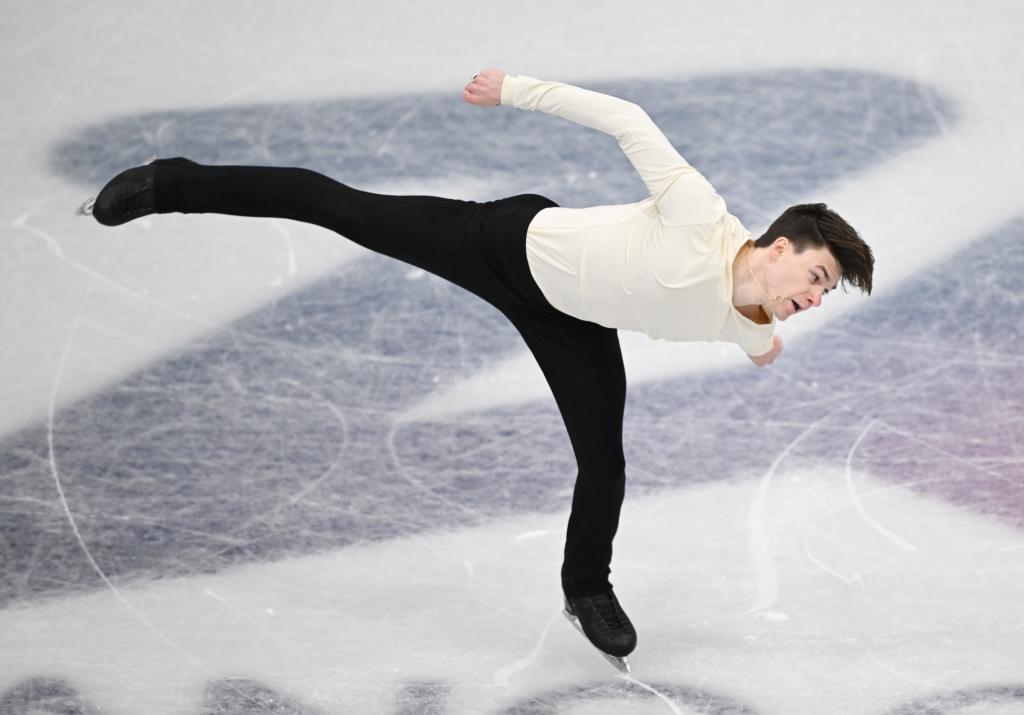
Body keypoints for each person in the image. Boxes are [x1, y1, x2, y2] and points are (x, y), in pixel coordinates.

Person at [83, 69, 874, 666]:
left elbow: (750, 334)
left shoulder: (754, 317)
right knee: (344, 207)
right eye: (815, 277)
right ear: (778, 246)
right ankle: (170, 181)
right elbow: (627, 120)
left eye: (824, 293)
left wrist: (764, 346)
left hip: (574, 326)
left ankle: (585, 588)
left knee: (605, 464)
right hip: (504, 246)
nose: (813, 298)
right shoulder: (699, 215)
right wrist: (515, 90)